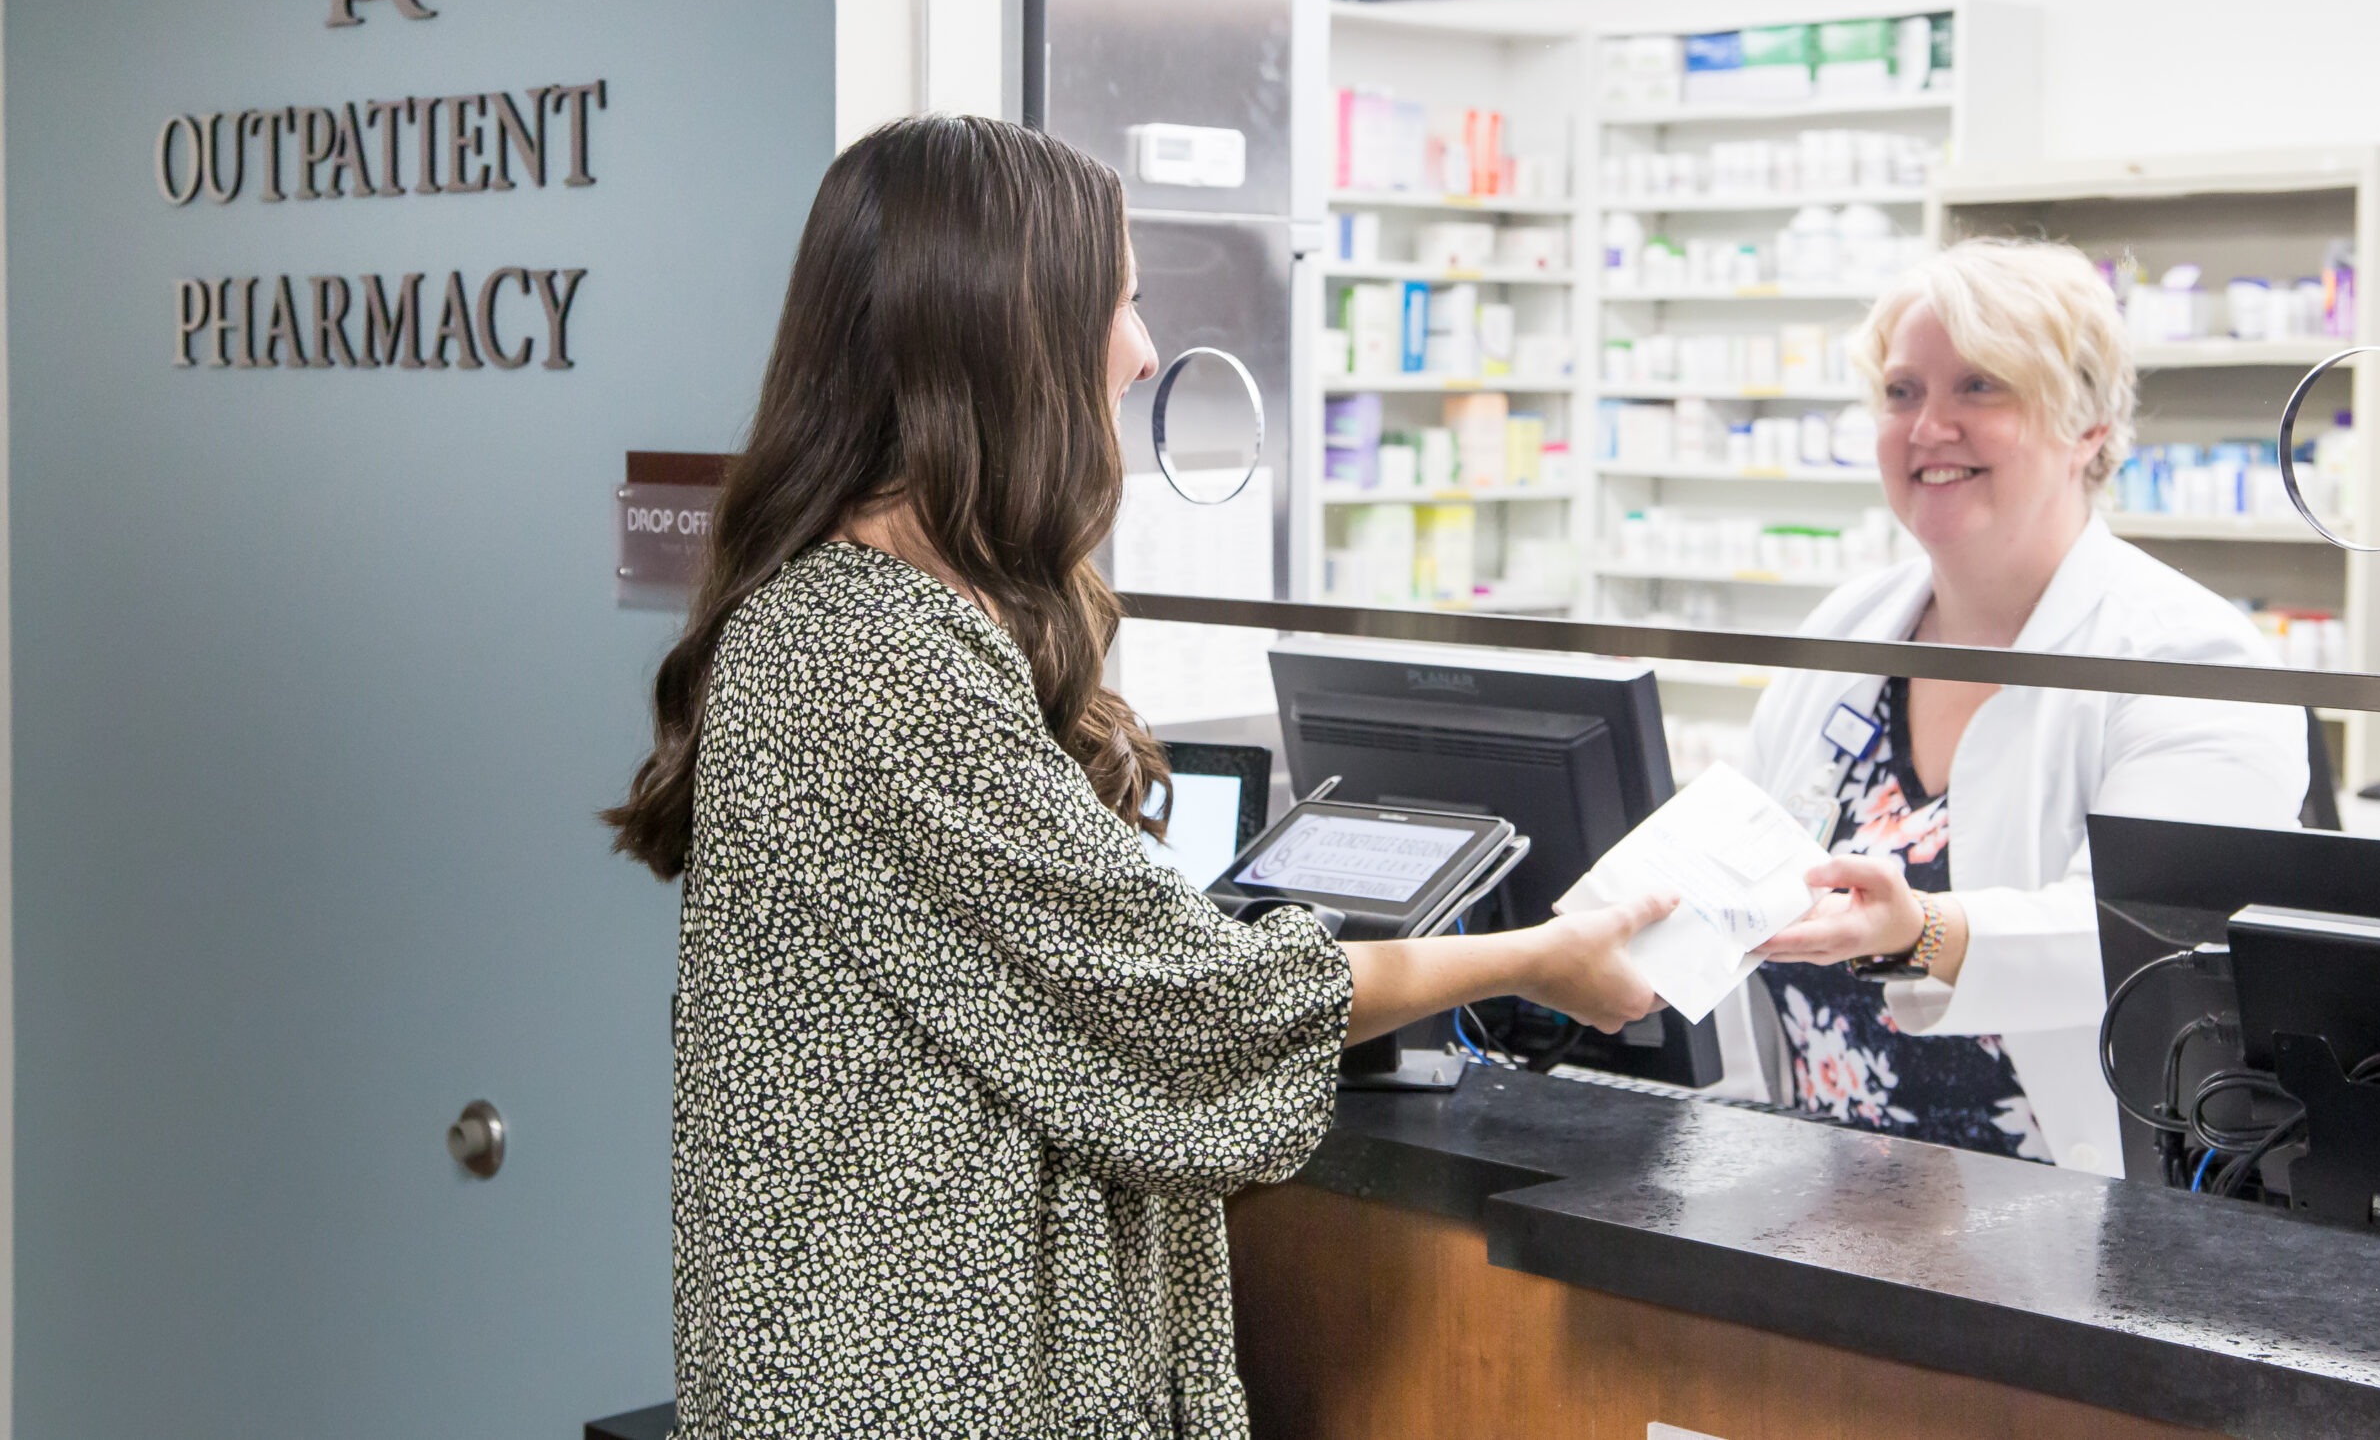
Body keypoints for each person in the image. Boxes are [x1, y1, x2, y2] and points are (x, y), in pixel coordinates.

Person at [603, 115, 1667, 1439]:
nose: (1144, 351)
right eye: (1120, 301)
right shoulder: (876, 651)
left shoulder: (855, 617)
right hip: (912, 1381)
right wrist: (1536, 954)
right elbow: (1204, 1002)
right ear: (1009, 330)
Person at [1723, 238, 2309, 1176]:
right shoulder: (1847, 629)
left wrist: (1924, 929)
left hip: (2057, 1235)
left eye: (1980, 387)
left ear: (2087, 425)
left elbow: (2154, 939)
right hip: (1814, 1204)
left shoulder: (2192, 653)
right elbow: (1736, 852)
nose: (1928, 428)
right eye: (1903, 391)